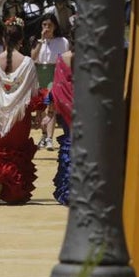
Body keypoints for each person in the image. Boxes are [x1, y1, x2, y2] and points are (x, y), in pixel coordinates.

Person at [0, 18, 44, 204]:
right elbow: (34, 93)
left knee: (0, 150)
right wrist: (39, 115)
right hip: (20, 116)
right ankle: (13, 191)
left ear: (3, 39)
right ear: (21, 40)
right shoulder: (27, 63)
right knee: (17, 152)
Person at [31, 13, 70, 150]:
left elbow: (66, 58)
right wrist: (41, 40)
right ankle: (43, 134)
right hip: (40, 73)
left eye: (49, 25)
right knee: (40, 107)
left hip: (55, 73)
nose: (46, 28)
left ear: (55, 26)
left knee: (51, 106)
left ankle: (49, 137)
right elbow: (33, 58)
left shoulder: (62, 41)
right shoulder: (38, 41)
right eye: (44, 25)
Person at [50, 49, 75, 205]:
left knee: (70, 143)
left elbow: (57, 88)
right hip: (89, 109)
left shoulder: (62, 59)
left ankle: (69, 189)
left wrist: (53, 108)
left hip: (67, 108)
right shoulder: (94, 56)